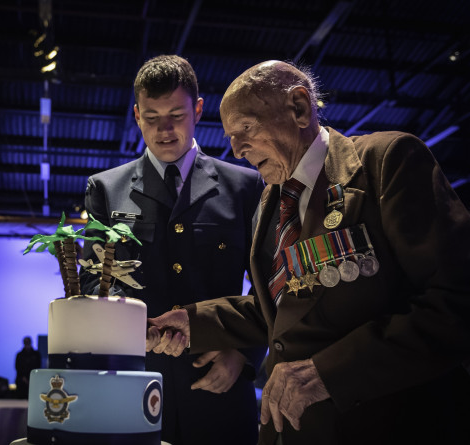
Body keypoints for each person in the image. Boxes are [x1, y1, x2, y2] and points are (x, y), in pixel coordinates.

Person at [147, 60, 470, 445]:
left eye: (245, 129)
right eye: (231, 137)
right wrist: (192, 321)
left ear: (299, 108)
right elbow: (278, 308)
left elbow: (456, 302)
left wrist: (329, 373)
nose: (236, 150)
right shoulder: (272, 199)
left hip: (386, 424)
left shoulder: (386, 162)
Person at [79, 54, 266, 445]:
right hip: (133, 388)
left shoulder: (245, 186)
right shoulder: (105, 189)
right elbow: (95, 282)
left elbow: (270, 285)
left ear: (197, 109)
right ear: (136, 115)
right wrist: (130, 334)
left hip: (219, 386)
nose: (164, 130)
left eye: (176, 116)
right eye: (151, 117)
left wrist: (244, 357)